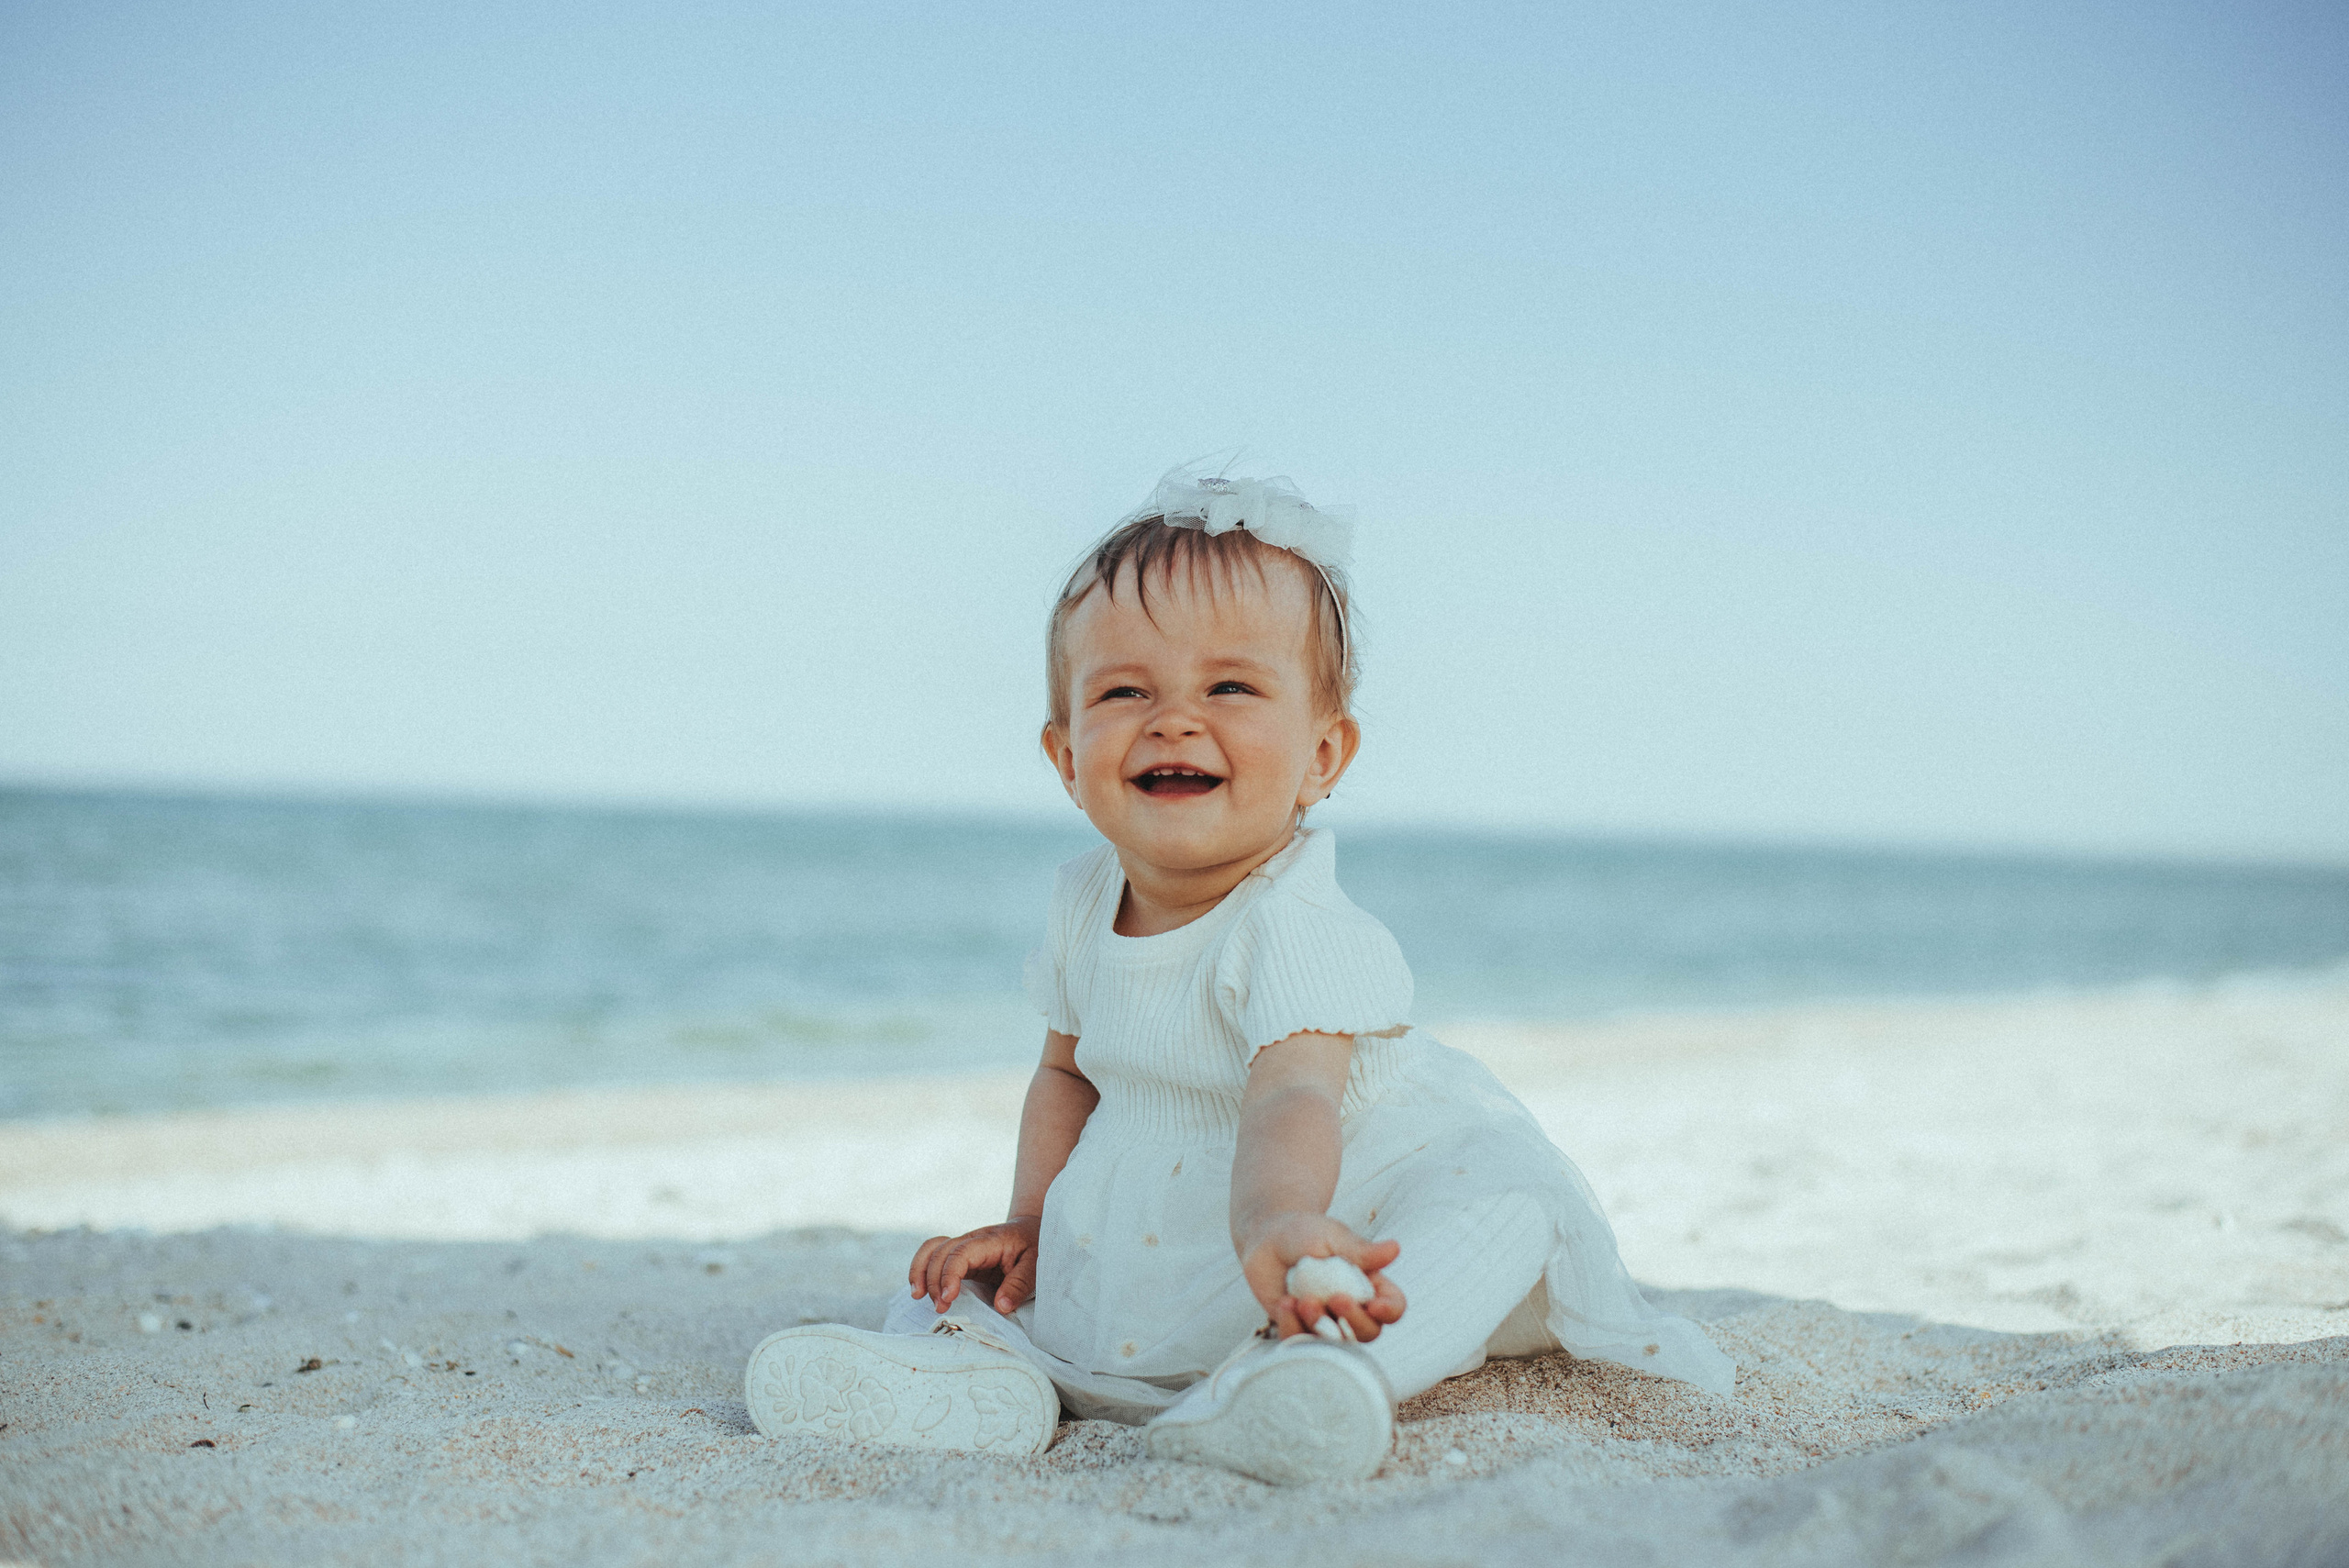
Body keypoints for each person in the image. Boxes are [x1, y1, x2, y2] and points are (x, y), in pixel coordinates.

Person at [744, 469, 1734, 1485]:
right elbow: (1067, 1075)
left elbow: (1293, 1093)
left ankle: (1298, 1376)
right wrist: (1032, 1223)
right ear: (1064, 756)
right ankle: (974, 1377)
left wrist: (1278, 1224)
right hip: (1135, 1216)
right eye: (1125, 690)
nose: (1173, 718)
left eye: (1229, 686)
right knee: (952, 1280)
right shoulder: (1083, 901)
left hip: (1308, 1194)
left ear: (1320, 754)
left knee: (1501, 1210)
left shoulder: (1296, 922)